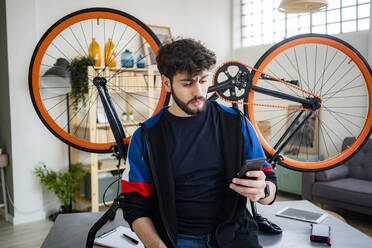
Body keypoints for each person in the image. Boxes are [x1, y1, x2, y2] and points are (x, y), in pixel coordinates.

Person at [121, 38, 277, 248]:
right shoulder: (146, 136)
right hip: (178, 239)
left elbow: (269, 181)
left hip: (236, 236)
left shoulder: (236, 123)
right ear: (166, 83)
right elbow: (134, 205)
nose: (198, 92)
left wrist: (264, 191)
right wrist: (156, 245)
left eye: (203, 81)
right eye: (187, 83)